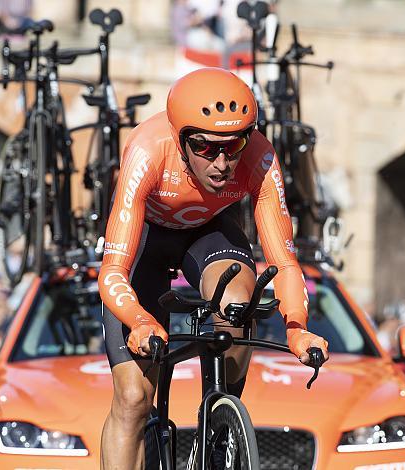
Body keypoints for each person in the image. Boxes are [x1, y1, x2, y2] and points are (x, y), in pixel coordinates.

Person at [97, 67, 329, 469]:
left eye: (234, 144)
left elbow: (284, 262)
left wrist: (297, 327)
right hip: (146, 241)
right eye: (205, 147)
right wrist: (139, 321)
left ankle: (219, 418)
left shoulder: (259, 157)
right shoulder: (148, 151)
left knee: (238, 305)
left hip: (208, 233)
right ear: (179, 138)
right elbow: (113, 270)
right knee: (134, 397)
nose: (222, 162)